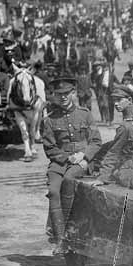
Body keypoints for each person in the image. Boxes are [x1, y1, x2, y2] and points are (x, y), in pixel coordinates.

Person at [42, 77, 101, 254]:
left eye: (67, 94)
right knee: (53, 191)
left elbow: (96, 142)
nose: (63, 98)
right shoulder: (50, 120)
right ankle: (60, 240)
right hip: (60, 163)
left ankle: (66, 233)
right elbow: (49, 148)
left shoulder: (85, 114)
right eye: (59, 95)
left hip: (82, 162)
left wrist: (84, 155)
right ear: (54, 96)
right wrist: (67, 158)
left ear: (73, 93)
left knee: (69, 180)